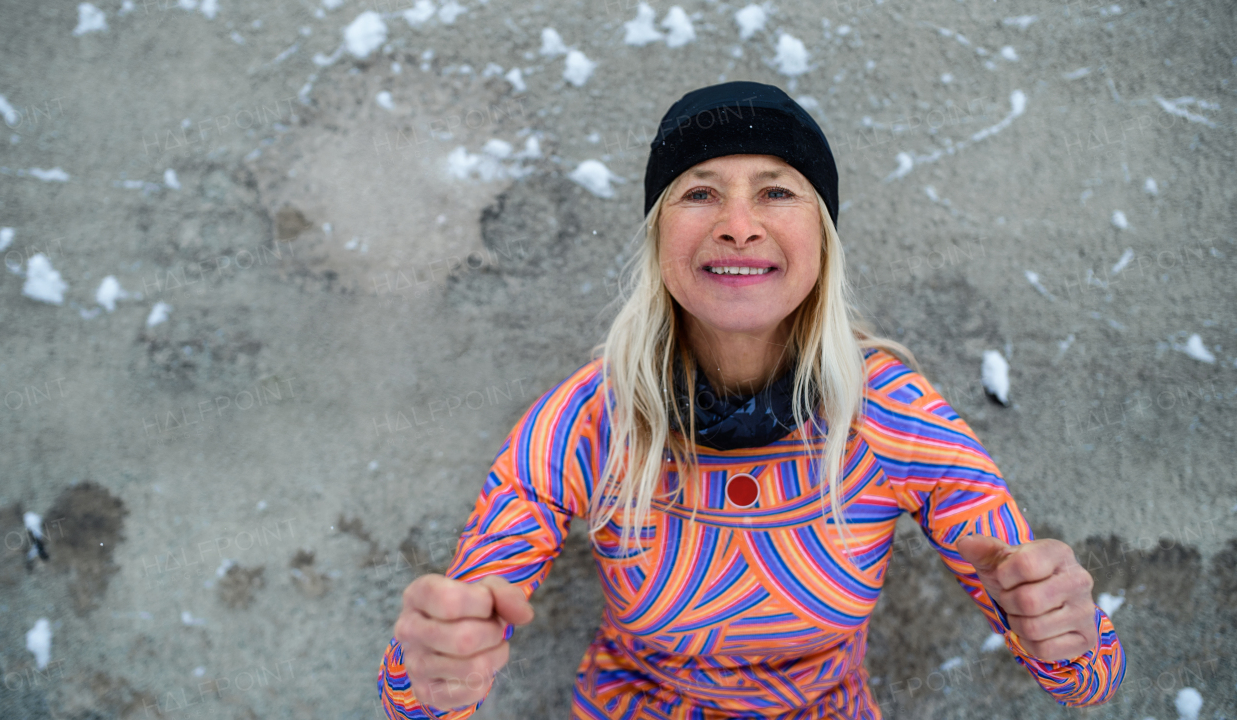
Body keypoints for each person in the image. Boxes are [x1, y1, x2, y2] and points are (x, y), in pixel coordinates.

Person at [377, 81, 1126, 719]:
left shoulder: (889, 411)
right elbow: (416, 696)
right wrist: (436, 667)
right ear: (657, 236)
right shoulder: (590, 420)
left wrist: (1068, 632)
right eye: (700, 193)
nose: (738, 225)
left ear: (823, 235)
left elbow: (1090, 681)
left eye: (776, 191)